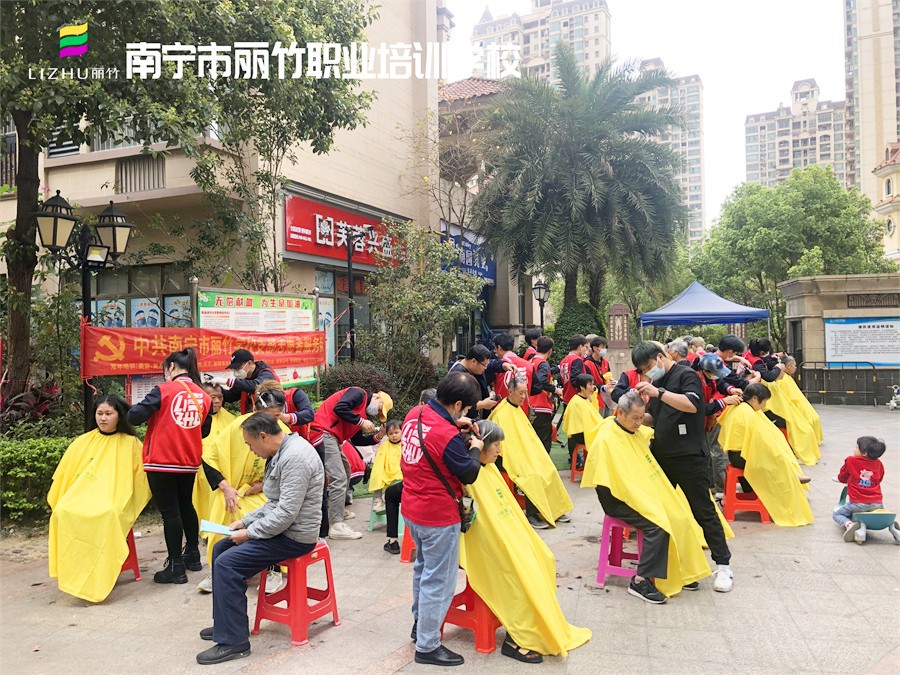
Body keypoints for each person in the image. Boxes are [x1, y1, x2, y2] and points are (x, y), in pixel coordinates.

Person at [196, 413, 325, 665]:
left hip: (295, 536)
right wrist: (245, 522)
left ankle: (235, 642)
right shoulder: (280, 452)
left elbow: (286, 513)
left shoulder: (295, 457)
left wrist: (250, 533)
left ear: (263, 436)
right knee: (221, 548)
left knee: (228, 564)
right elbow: (273, 503)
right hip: (283, 529)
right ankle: (226, 623)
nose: (250, 450)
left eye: (250, 444)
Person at [459, 420, 591, 662]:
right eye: (496, 445)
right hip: (483, 543)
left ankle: (539, 625)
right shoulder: (471, 475)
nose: (500, 450)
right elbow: (478, 524)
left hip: (506, 535)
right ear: (481, 445)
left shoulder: (489, 469)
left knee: (543, 558)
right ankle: (516, 639)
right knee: (519, 572)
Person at [582, 391, 712, 603]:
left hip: (636, 493)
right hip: (617, 500)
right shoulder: (607, 439)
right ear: (620, 413)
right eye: (635, 418)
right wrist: (645, 501)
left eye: (642, 418)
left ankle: (680, 570)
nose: (638, 423)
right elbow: (617, 483)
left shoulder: (632, 432)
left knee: (679, 515)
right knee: (658, 525)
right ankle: (640, 580)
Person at [401, 372, 493, 667]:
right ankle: (428, 646)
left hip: (412, 508)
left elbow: (433, 436)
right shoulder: (446, 435)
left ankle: (420, 626)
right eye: (466, 409)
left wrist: (455, 423)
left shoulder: (415, 414)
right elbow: (469, 472)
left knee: (423, 569)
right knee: (438, 580)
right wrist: (476, 449)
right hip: (438, 515)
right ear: (457, 405)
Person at [631, 341, 734, 593]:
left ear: (660, 357)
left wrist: (659, 393)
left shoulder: (686, 375)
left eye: (648, 366)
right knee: (660, 512)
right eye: (642, 370)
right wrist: (633, 415)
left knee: (703, 511)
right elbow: (655, 418)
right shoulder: (656, 383)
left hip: (689, 456)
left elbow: (692, 405)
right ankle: (675, 567)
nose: (647, 372)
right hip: (662, 455)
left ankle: (723, 565)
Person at [48, 395, 151, 603]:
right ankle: (74, 570)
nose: (103, 418)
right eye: (99, 413)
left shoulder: (131, 444)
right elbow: (66, 474)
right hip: (81, 496)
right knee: (62, 511)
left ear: (119, 416)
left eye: (108, 414)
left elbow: (140, 480)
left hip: (113, 498)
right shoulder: (83, 442)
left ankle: (101, 570)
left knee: (107, 514)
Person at [195, 382, 290, 593]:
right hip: (234, 491)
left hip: (265, 492)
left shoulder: (283, 433)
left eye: (275, 417)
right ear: (255, 409)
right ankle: (219, 569)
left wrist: (262, 485)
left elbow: (289, 474)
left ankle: (272, 569)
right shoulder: (237, 427)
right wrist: (226, 488)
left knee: (270, 515)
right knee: (225, 510)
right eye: (266, 416)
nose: (270, 423)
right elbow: (209, 458)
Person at [128, 348, 211, 584]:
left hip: (161, 461)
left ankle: (176, 567)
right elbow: (204, 430)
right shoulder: (203, 396)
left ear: (171, 367)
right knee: (186, 505)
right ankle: (192, 555)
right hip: (189, 461)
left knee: (170, 513)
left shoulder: (163, 390)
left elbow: (134, 417)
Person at [718, 383, 814, 527]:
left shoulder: (743, 408)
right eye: (763, 402)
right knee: (776, 460)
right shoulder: (745, 412)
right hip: (740, 457)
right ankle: (787, 484)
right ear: (754, 398)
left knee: (777, 454)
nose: (764, 406)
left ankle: (790, 473)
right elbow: (757, 439)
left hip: (737, 454)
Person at [309, 387, 392, 540]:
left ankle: (338, 509)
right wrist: (361, 421)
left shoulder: (361, 414)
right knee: (338, 477)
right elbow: (340, 407)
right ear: (377, 398)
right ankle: (336, 524)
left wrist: (378, 436)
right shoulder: (359, 393)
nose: (377, 413)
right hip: (323, 432)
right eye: (380, 409)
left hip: (333, 437)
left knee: (346, 470)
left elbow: (357, 440)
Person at [490, 377, 573, 530]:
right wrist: (522, 457)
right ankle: (532, 514)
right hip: (511, 457)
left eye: (525, 393)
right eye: (520, 393)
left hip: (526, 453)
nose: (524, 397)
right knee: (533, 475)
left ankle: (554, 510)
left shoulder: (517, 409)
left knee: (549, 469)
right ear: (510, 392)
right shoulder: (501, 413)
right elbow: (503, 445)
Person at [696, 354, 744, 498]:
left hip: (708, 418)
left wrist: (730, 389)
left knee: (711, 453)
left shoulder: (711, 378)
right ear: (705, 371)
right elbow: (699, 408)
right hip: (697, 422)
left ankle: (712, 486)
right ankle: (719, 490)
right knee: (715, 454)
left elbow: (720, 383)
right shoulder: (695, 381)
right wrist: (724, 402)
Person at [834, 437, 898, 544]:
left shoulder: (851, 460)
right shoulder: (878, 464)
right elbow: (879, 479)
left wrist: (843, 479)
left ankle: (849, 525)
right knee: (874, 510)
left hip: (857, 503)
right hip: (877, 503)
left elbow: (843, 476)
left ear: (864, 453)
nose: (854, 449)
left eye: (856, 447)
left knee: (837, 515)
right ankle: (891, 526)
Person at [764, 356, 822, 465]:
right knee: (803, 429)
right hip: (781, 412)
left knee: (809, 424)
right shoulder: (778, 382)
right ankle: (798, 452)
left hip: (788, 409)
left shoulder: (783, 380)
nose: (795, 367)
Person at [207, 349, 280, 414]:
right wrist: (216, 386)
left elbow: (256, 386)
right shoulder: (245, 378)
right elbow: (231, 397)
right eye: (234, 369)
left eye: (238, 367)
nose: (236, 371)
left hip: (272, 416)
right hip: (253, 417)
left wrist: (227, 381)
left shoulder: (267, 374)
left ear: (249, 363)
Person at [561, 374, 603, 471]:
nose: (593, 388)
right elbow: (578, 426)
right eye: (590, 385)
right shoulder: (577, 402)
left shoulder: (583, 399)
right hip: (580, 435)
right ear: (582, 387)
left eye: (593, 384)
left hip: (584, 432)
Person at [529, 336, 562, 452]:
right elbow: (542, 380)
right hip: (541, 406)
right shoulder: (543, 363)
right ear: (550, 351)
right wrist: (555, 390)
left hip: (529, 405)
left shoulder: (530, 361)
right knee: (543, 442)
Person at [448, 344, 502, 416]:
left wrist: (503, 365)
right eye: (484, 365)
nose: (485, 368)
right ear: (473, 361)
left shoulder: (474, 369)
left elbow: (492, 364)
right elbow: (457, 404)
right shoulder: (457, 376)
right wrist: (482, 404)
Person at [492, 332, 534, 415]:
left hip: (501, 413)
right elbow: (537, 388)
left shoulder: (496, 367)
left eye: (495, 349)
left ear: (499, 348)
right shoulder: (528, 365)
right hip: (523, 412)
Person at [369, 419, 402, 515]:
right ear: (387, 434)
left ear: (402, 431)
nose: (394, 435)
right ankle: (378, 499)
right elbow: (379, 462)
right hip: (387, 470)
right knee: (377, 475)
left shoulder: (405, 443)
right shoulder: (384, 445)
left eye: (396, 432)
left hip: (401, 471)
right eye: (391, 433)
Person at [583, 336, 614, 413]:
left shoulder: (605, 362)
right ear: (595, 348)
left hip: (607, 397)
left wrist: (611, 382)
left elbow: (609, 375)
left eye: (605, 347)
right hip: (595, 398)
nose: (605, 349)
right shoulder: (587, 364)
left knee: (608, 418)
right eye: (603, 347)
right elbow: (588, 383)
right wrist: (602, 387)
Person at [559, 335, 588, 404]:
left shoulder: (564, 360)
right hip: (576, 398)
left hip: (566, 396)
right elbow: (575, 379)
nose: (586, 349)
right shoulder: (577, 360)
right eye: (585, 347)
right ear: (580, 347)